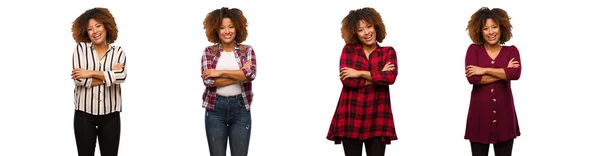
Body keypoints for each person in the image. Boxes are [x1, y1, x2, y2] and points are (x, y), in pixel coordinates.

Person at [327, 7, 398, 156]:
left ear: (376, 26)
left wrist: (358, 73)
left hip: (377, 117)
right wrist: (378, 76)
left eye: (369, 26)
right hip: (350, 115)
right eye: (360, 30)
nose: (366, 32)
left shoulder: (388, 52)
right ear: (355, 34)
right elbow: (348, 82)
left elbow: (390, 78)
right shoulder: (349, 50)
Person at [464, 7, 522, 156]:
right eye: (486, 28)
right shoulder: (473, 50)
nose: (491, 32)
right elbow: (473, 78)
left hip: (505, 116)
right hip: (479, 117)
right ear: (480, 31)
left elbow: (515, 73)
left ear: (501, 28)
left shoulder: (512, 51)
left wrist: (483, 70)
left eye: (494, 26)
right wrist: (504, 72)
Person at [70, 7, 127, 156]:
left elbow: (121, 76)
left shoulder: (118, 52)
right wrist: (109, 76)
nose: (95, 31)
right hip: (84, 115)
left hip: (111, 116)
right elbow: (80, 80)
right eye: (90, 29)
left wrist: (90, 72)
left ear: (106, 27)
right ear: (86, 32)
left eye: (98, 26)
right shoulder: (80, 49)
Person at [201, 7, 257, 156]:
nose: (227, 31)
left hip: (241, 110)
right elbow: (209, 82)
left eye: (231, 26)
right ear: (216, 30)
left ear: (237, 28)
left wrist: (219, 72)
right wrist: (240, 75)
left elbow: (250, 75)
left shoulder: (247, 51)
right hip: (215, 110)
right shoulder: (208, 52)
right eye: (222, 27)